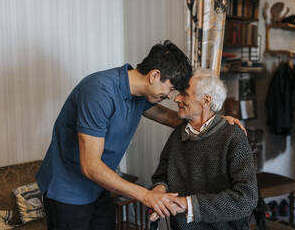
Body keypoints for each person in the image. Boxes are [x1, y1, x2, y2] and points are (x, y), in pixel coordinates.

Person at [36, 40, 193, 230]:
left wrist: (215, 121)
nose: (170, 96)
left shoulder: (139, 95)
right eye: (170, 88)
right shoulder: (99, 91)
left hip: (98, 186)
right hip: (68, 190)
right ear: (154, 75)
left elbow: (169, 118)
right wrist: (146, 195)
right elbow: (90, 166)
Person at [151, 69, 258, 230]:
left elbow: (247, 198)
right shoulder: (176, 137)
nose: (177, 99)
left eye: (185, 94)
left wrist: (188, 204)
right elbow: (162, 176)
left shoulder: (233, 137)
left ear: (206, 101)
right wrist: (159, 191)